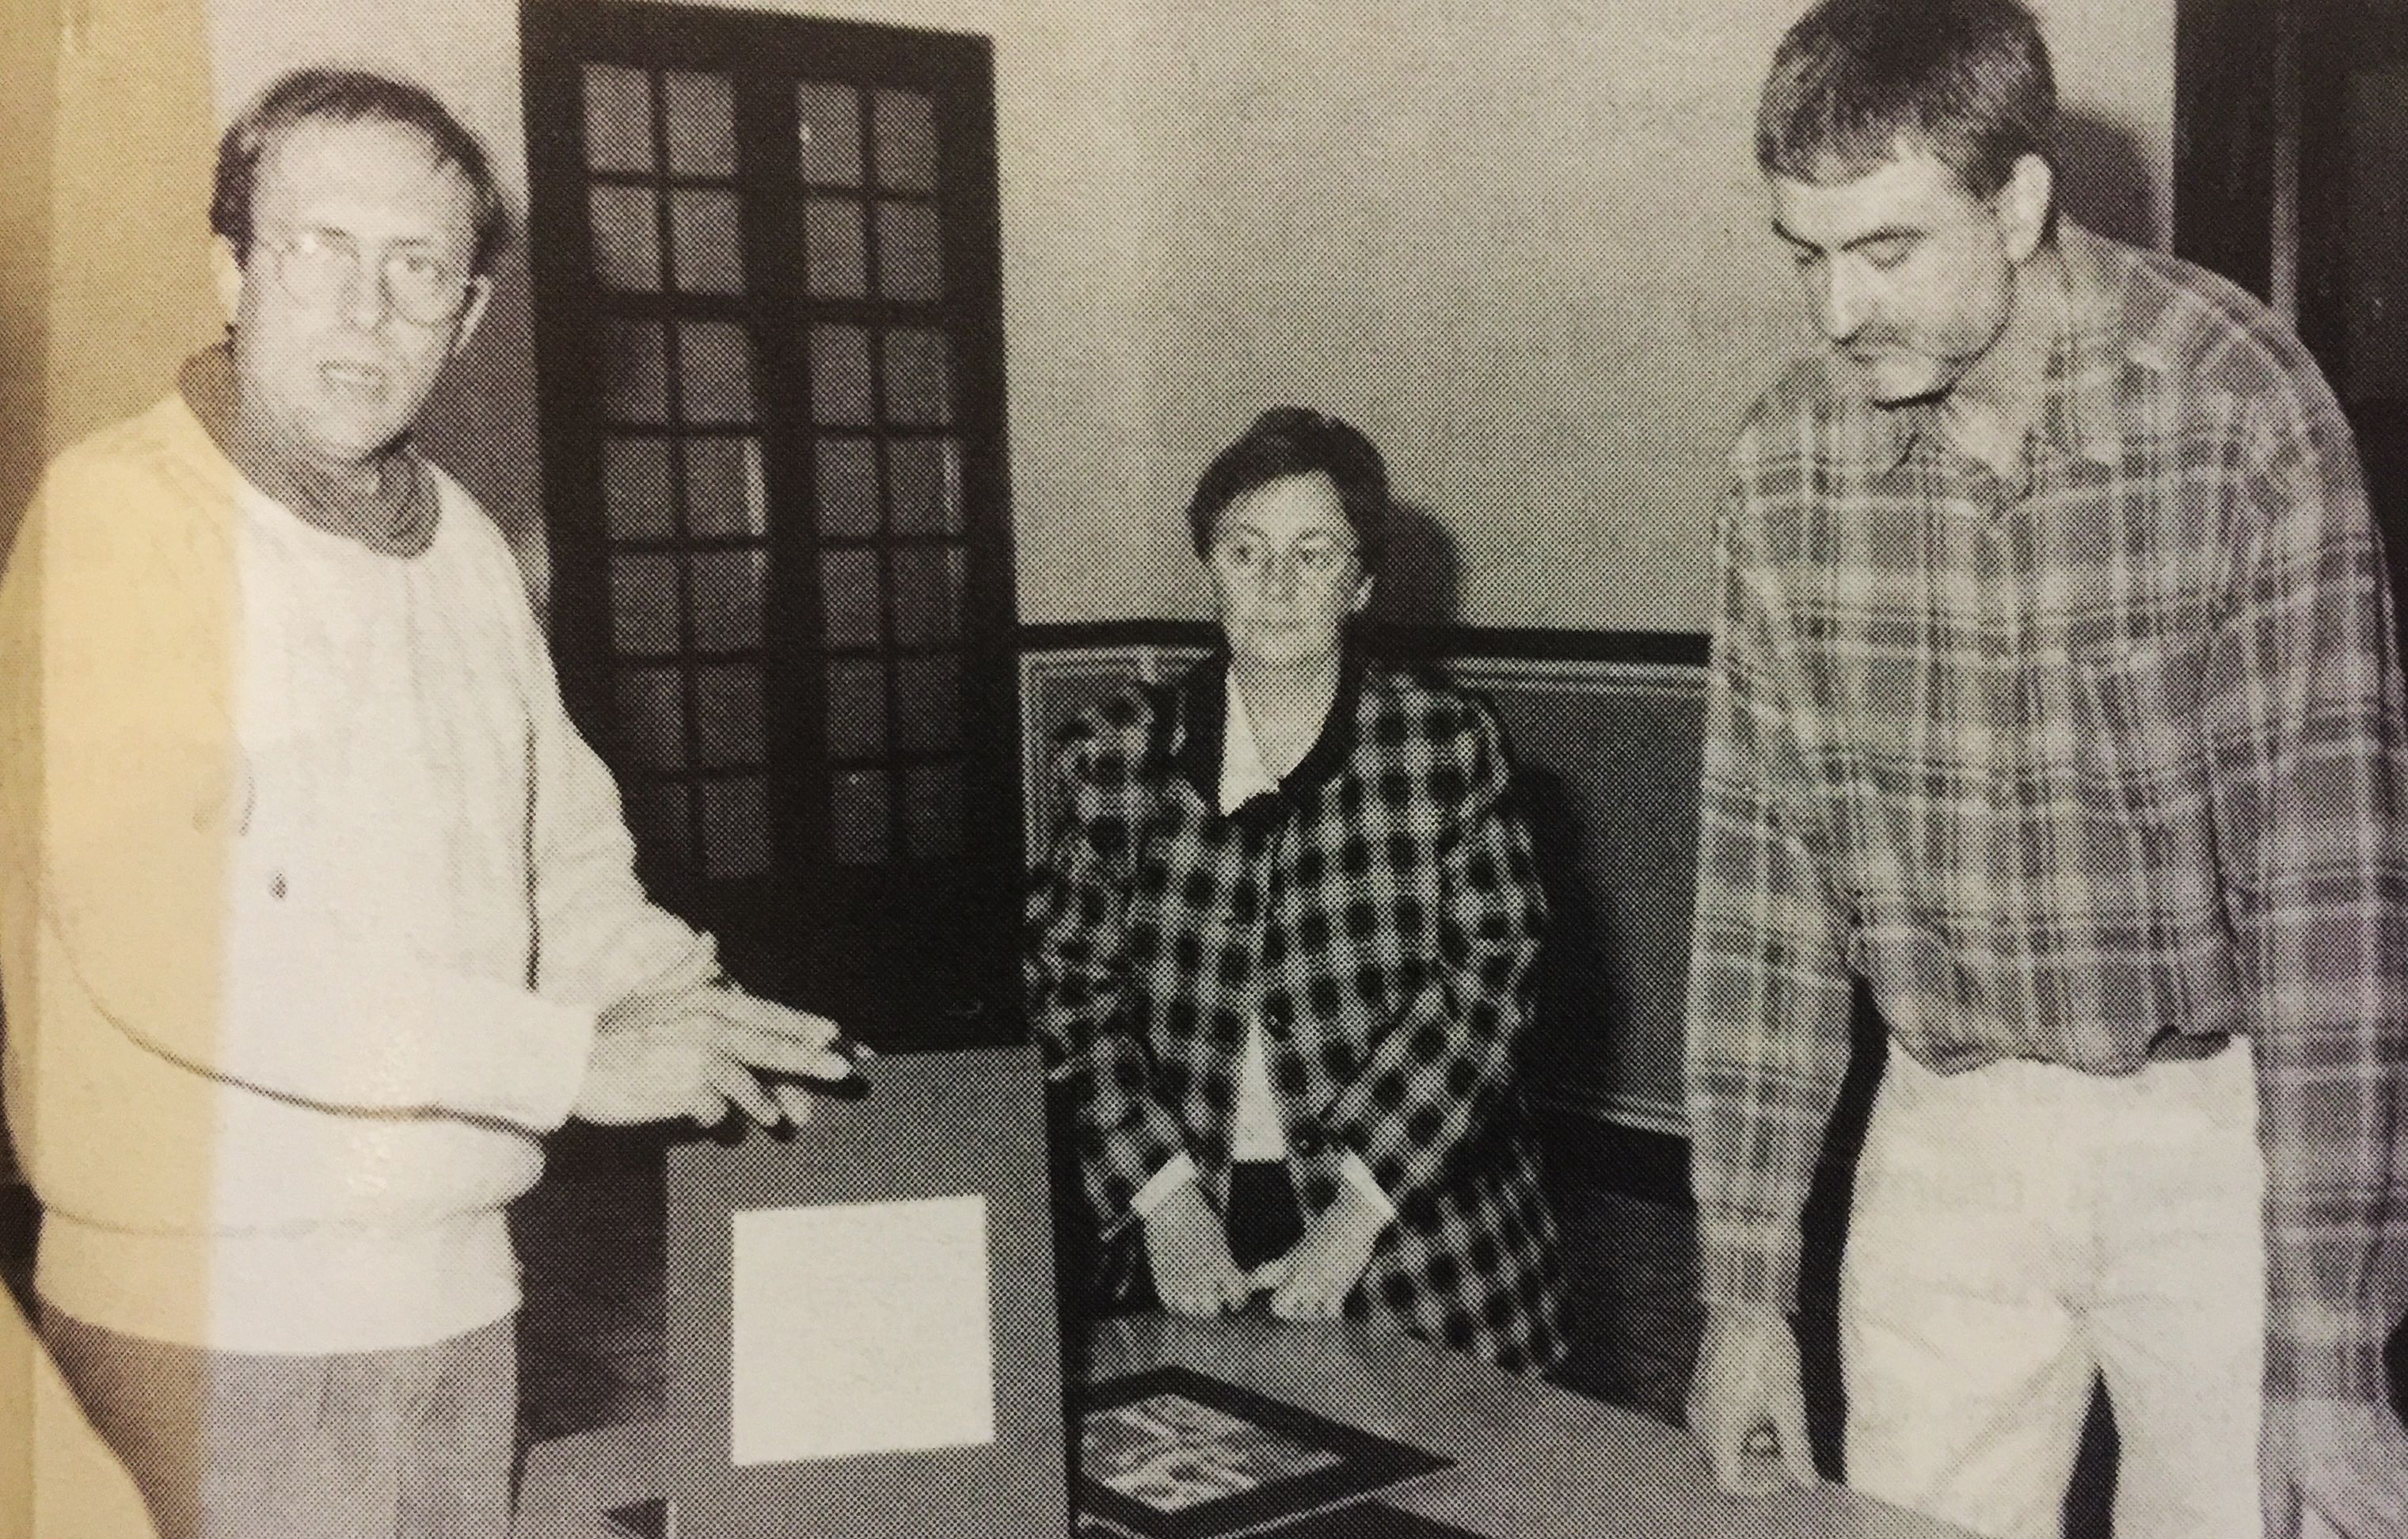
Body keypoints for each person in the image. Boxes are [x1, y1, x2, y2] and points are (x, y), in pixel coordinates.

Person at [0, 68, 855, 1539]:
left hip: (457, 1298)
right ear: (232, 268)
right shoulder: (120, 517)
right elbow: (172, 948)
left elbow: (557, 864)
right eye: (320, 248)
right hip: (211, 1325)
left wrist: (709, 1017)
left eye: (419, 270)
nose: (367, 308)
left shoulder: (459, 541)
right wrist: (572, 1054)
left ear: (469, 316)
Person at [1681, 3, 2408, 1537]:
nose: (1831, 312)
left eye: (1882, 250)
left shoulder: (2235, 414)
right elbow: (1763, 904)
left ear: (2014, 202)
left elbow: (2328, 915)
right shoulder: (1783, 466)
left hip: (2210, 1133)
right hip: (1942, 1126)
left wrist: (2332, 1354)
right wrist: (1743, 1285)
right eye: (1802, 253)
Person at [1027, 407, 1569, 1373]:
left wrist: (1359, 1211)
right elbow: (1071, 987)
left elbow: (1491, 980)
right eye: (1246, 551)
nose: (1276, 587)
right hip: (1183, 1218)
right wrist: (1159, 1196)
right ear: (1209, 567)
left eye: (1313, 556)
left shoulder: (1444, 747)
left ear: (1359, 583)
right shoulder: (1113, 752)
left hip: (1415, 1223)